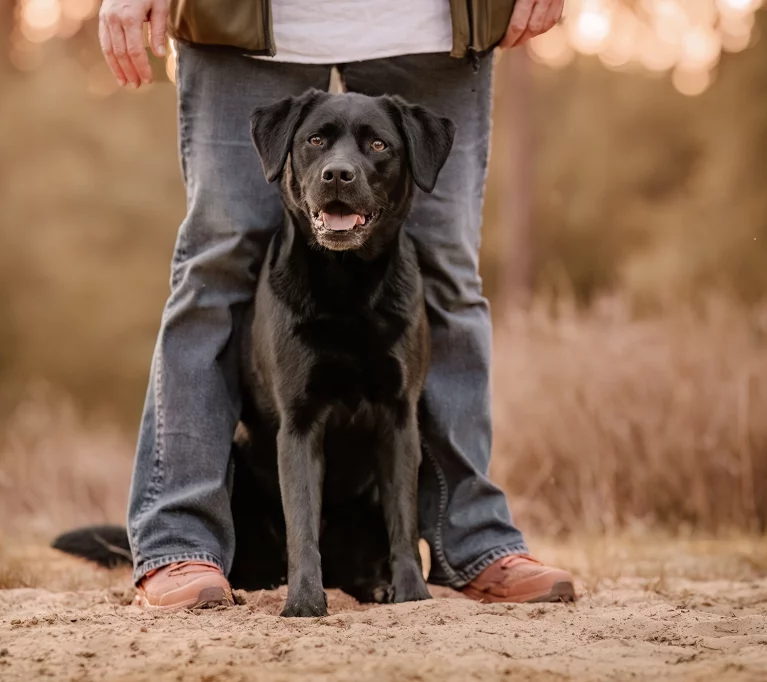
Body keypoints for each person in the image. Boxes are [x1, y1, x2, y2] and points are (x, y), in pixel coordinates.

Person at [99, 0, 575, 609]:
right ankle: (179, 544)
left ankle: (472, 542)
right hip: (239, 18)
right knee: (215, 265)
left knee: (449, 270)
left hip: (430, 23)